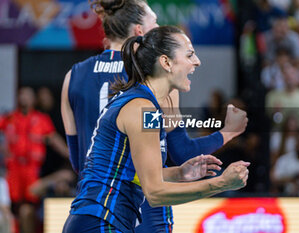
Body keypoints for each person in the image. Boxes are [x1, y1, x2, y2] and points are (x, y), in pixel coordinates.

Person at [61, 0, 248, 232]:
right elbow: (156, 190)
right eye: (190, 55)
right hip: (104, 218)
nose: (197, 62)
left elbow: (120, 169)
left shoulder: (141, 101)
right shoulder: (143, 107)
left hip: (106, 216)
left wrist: (180, 173)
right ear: (165, 61)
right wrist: (222, 182)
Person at [0, 87, 69, 233]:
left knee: (29, 207)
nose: (23, 97)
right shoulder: (10, 118)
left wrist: (71, 156)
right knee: (13, 208)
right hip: (13, 170)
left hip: (32, 170)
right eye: (21, 94)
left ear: (33, 100)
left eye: (27, 95)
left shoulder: (41, 119)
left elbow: (53, 139)